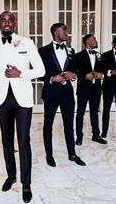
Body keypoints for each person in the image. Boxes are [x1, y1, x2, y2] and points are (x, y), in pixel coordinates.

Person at [0, 11, 45, 203]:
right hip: (2, 99)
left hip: (23, 100)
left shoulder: (27, 43)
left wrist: (21, 73)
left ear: (15, 24)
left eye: (10, 20)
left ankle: (26, 184)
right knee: (6, 141)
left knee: (24, 141)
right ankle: (11, 176)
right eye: (3, 20)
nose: (7, 23)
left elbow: (41, 70)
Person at [38, 23, 86, 168]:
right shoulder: (43, 51)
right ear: (55, 32)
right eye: (64, 29)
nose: (67, 32)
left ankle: (72, 154)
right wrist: (52, 78)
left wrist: (74, 74)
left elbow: (76, 69)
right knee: (48, 125)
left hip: (67, 94)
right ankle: (49, 155)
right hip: (51, 93)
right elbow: (38, 72)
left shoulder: (71, 51)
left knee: (69, 125)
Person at [75, 34, 107, 146]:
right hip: (83, 89)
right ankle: (79, 136)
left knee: (95, 112)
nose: (96, 41)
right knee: (80, 113)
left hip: (96, 89)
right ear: (88, 41)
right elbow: (74, 71)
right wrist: (84, 75)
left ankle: (96, 135)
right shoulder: (78, 56)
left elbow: (104, 70)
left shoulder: (100, 55)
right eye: (94, 39)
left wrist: (101, 75)